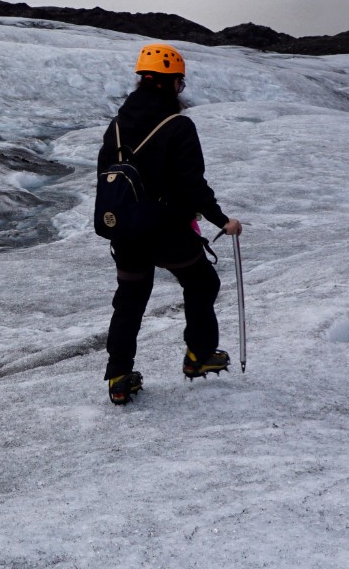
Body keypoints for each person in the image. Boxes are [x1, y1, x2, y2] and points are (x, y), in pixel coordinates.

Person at [100, 43, 243, 404]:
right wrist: (221, 220)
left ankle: (118, 376)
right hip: (166, 230)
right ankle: (199, 355)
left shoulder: (116, 127)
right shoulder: (178, 125)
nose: (181, 88)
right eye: (180, 82)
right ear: (171, 83)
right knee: (201, 282)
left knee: (129, 302)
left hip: (128, 230)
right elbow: (192, 184)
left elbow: (107, 176)